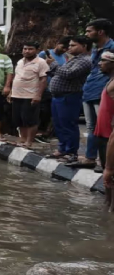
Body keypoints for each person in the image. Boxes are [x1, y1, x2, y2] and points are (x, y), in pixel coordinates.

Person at [46, 36, 93, 162]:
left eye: (73, 45)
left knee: (68, 125)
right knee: (59, 124)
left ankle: (71, 152)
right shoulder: (73, 59)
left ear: (84, 46)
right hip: (58, 96)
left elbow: (69, 74)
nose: (69, 47)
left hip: (69, 96)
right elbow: (62, 72)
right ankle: (62, 149)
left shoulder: (85, 60)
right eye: (70, 45)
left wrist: (53, 64)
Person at [78, 19, 114, 171]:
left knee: (106, 128)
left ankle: (104, 161)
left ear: (100, 32)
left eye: (89, 31)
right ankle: (90, 157)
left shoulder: (112, 48)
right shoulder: (95, 48)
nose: (86, 34)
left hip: (104, 93)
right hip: (89, 90)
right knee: (92, 127)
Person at [10, 41, 49, 148]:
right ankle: (22, 139)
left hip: (31, 95)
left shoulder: (41, 62)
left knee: (30, 120)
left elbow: (43, 80)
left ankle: (29, 142)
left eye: (30, 49)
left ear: (37, 50)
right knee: (19, 119)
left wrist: (38, 95)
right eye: (25, 49)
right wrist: (11, 92)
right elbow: (16, 77)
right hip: (17, 95)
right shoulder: (20, 61)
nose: (27, 51)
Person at [36, 37, 71, 143]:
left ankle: (48, 133)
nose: (64, 50)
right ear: (57, 43)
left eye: (67, 48)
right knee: (43, 112)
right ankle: (38, 132)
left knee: (53, 113)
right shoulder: (44, 54)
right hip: (45, 87)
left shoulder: (65, 57)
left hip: (57, 89)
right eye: (63, 47)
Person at [95, 51, 113, 178]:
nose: (99, 63)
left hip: (109, 135)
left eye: (104, 61)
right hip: (103, 133)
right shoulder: (110, 80)